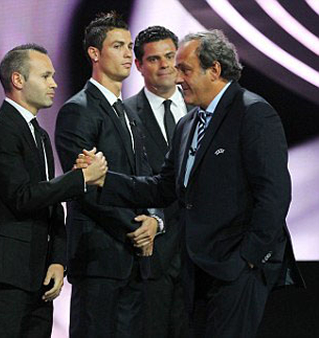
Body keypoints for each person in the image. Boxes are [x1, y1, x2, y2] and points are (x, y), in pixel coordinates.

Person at [82, 30, 304, 337]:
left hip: (235, 268)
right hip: (197, 270)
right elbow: (163, 187)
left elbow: (274, 195)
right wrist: (106, 179)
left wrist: (248, 259)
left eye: (184, 69)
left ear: (214, 70)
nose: (177, 79)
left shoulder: (253, 113)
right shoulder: (188, 123)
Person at [0, 44, 106, 338]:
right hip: (6, 271)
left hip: (39, 272)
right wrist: (79, 179)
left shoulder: (40, 134)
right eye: (45, 76)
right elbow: (23, 196)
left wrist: (58, 259)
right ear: (18, 80)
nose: (54, 83)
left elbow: (51, 200)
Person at [55, 12, 160, 337]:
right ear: (94, 53)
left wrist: (154, 220)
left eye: (130, 46)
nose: (129, 53)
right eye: (118, 46)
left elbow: (144, 179)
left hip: (133, 259)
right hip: (99, 256)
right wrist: (135, 229)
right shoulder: (79, 110)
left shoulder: (129, 113)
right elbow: (85, 186)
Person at [126, 25, 190, 337]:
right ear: (138, 65)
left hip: (205, 253)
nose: (164, 64)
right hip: (154, 258)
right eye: (154, 59)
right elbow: (129, 181)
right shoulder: (124, 115)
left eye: (169, 56)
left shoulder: (205, 108)